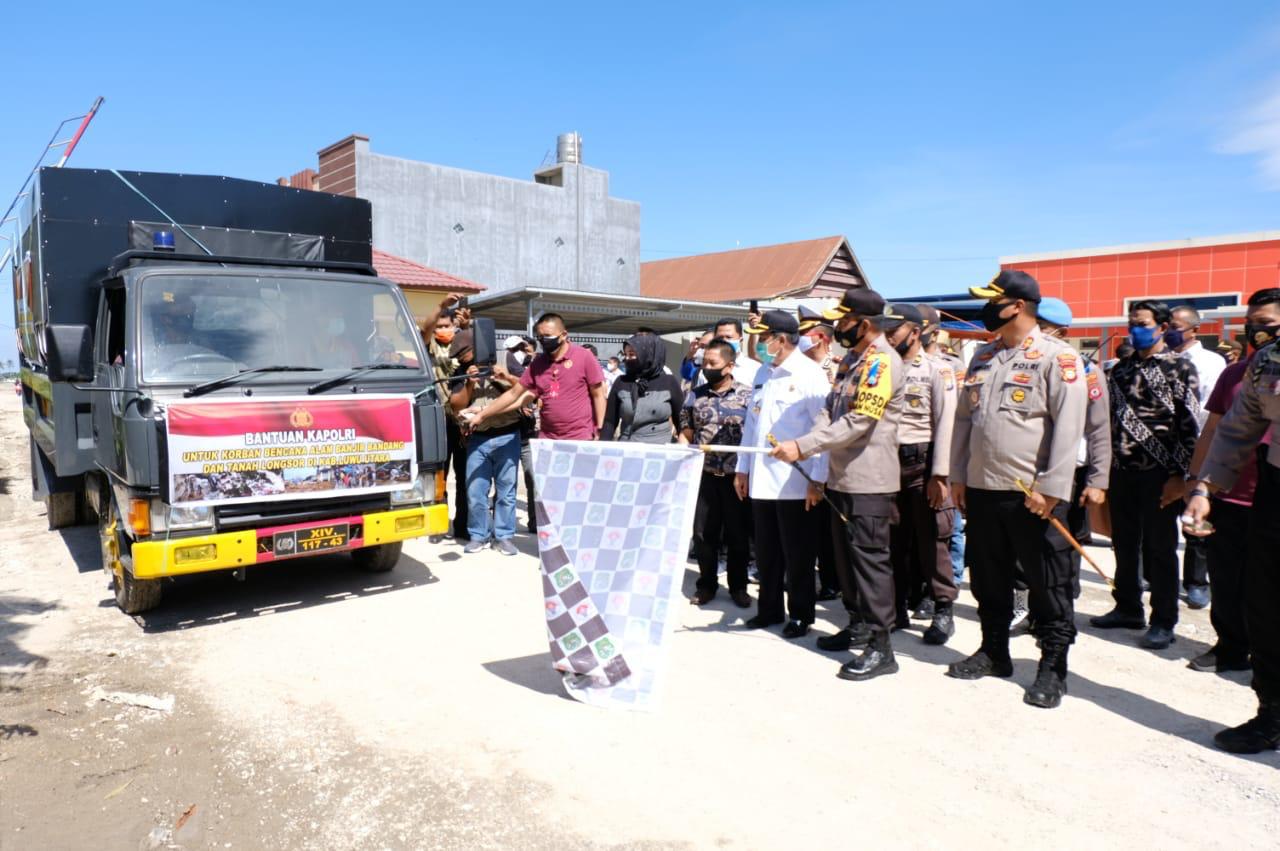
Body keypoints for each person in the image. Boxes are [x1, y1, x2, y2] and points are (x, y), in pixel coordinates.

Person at [947, 270, 1087, 709]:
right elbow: (965, 422)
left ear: (1019, 306)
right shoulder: (984, 356)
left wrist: (1051, 487)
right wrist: (956, 476)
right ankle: (994, 651)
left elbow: (1069, 427)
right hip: (984, 487)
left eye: (995, 301)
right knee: (988, 577)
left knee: (1048, 582)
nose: (987, 309)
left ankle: (1052, 665)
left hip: (1033, 494)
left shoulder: (1056, 356)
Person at [773, 288, 906, 680]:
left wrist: (804, 446)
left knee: (869, 564)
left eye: (843, 321)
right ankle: (858, 623)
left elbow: (860, 421)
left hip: (870, 481)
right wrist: (807, 446)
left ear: (864, 324)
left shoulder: (881, 362)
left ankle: (882, 647)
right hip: (842, 478)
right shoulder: (853, 360)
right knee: (845, 563)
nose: (837, 328)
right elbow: (830, 414)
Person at [1184, 293, 1280, 754]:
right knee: (1264, 609)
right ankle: (1272, 715)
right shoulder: (1268, 362)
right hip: (1274, 488)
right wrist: (1206, 488)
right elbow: (1237, 429)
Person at [1091, 300, 1200, 650]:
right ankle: (1127, 607)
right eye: (1131, 323)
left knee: (1160, 548)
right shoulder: (1119, 370)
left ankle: (1163, 619)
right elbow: (1107, 422)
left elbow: (1190, 426)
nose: (1134, 329)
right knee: (1123, 543)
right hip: (1122, 472)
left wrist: (1179, 475)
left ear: (1163, 327)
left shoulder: (1180, 368)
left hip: (1160, 475)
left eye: (1141, 323)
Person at [734, 310, 830, 638]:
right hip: (762, 477)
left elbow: (823, 431)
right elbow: (752, 425)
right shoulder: (763, 372)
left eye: (765, 338)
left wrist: (818, 478)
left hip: (796, 480)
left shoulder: (809, 373)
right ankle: (770, 608)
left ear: (782, 339)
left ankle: (801, 614)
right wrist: (742, 469)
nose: (761, 344)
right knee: (767, 551)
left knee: (798, 554)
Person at [881, 303, 958, 645]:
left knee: (933, 540)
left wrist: (940, 474)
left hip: (922, 463)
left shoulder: (936, 370)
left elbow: (946, 423)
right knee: (892, 540)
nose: (887, 336)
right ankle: (895, 608)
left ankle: (943, 608)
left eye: (893, 330)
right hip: (887, 463)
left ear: (914, 332)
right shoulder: (882, 367)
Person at [1037, 298, 1110, 597]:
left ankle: (1062, 602)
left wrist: (1097, 480)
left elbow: (1099, 429)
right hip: (1029, 473)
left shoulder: (1085, 370)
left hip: (1070, 472)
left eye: (1043, 329)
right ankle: (1029, 603)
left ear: (1062, 334)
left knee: (1063, 546)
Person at [679, 340, 754, 608]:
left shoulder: (748, 396)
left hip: (737, 478)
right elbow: (686, 432)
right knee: (703, 535)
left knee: (737, 535)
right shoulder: (694, 395)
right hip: (705, 476)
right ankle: (707, 584)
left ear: (730, 365)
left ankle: (738, 587)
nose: (707, 368)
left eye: (713, 364)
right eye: (704, 363)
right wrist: (682, 452)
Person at [466, 313, 606, 441]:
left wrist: (600, 429)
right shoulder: (538, 364)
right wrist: (483, 414)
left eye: (547, 336)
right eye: (540, 337)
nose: (543, 340)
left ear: (563, 335)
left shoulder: (583, 356)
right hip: (548, 438)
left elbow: (598, 395)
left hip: (579, 437)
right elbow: (514, 395)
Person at [1168, 306, 1225, 609]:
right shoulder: (1162, 358)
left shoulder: (1211, 362)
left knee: (1195, 518)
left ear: (1193, 329)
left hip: (1199, 448)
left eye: (1175, 326)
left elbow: (1212, 411)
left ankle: (1196, 582)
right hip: (1165, 450)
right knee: (1160, 517)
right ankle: (1152, 575)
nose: (1169, 331)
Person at [448, 331, 522, 557]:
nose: (461, 358)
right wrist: (469, 383)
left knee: (506, 491)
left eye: (464, 353)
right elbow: (455, 404)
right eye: (458, 356)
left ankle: (504, 537)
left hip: (508, 435)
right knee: (475, 491)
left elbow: (527, 390)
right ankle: (478, 535)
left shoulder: (505, 359)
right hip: (477, 438)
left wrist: (503, 376)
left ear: (478, 346)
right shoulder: (461, 371)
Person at [797, 306, 841, 601]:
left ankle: (831, 580)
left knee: (828, 527)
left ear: (821, 337)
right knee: (805, 525)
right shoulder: (796, 369)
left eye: (804, 335)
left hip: (831, 456)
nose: (800, 340)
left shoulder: (839, 368)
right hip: (801, 454)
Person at [420, 293, 472, 541]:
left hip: (462, 419)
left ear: (454, 325)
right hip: (438, 419)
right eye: (439, 326)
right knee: (440, 476)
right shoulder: (430, 346)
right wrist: (440, 306)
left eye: (446, 325)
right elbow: (425, 329)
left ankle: (462, 525)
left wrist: (466, 327)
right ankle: (438, 526)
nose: (442, 330)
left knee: (463, 476)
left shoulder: (462, 342)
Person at [601, 334, 682, 444]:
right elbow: (610, 421)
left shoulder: (669, 382)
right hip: (627, 448)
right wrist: (602, 447)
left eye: (632, 354)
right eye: (626, 355)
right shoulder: (621, 382)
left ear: (647, 354)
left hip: (661, 450)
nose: (627, 359)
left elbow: (681, 421)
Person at [712, 318, 763, 388]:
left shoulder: (755, 369)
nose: (724, 341)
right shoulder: (707, 369)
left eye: (729, 337)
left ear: (740, 339)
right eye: (720, 338)